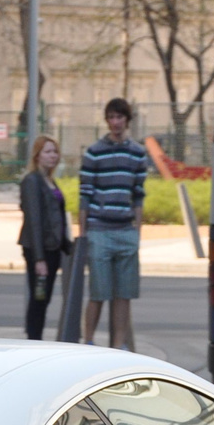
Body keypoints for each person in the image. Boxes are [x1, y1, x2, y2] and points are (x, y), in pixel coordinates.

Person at [77, 98, 148, 349]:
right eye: (111, 117)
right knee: (99, 292)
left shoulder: (138, 153)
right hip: (100, 230)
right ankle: (88, 341)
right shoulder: (94, 152)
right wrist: (83, 235)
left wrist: (137, 232)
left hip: (126, 230)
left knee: (123, 295)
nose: (116, 122)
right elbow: (84, 195)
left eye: (120, 117)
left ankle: (118, 345)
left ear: (127, 120)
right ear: (107, 120)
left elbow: (139, 194)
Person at [17, 135, 71, 340]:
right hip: (39, 250)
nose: (53, 156)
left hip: (53, 248)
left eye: (55, 151)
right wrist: (39, 258)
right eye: (47, 152)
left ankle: (35, 337)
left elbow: (57, 215)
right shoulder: (32, 181)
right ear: (37, 156)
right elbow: (34, 220)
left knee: (44, 298)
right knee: (39, 298)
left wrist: (67, 245)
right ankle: (33, 339)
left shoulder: (49, 181)